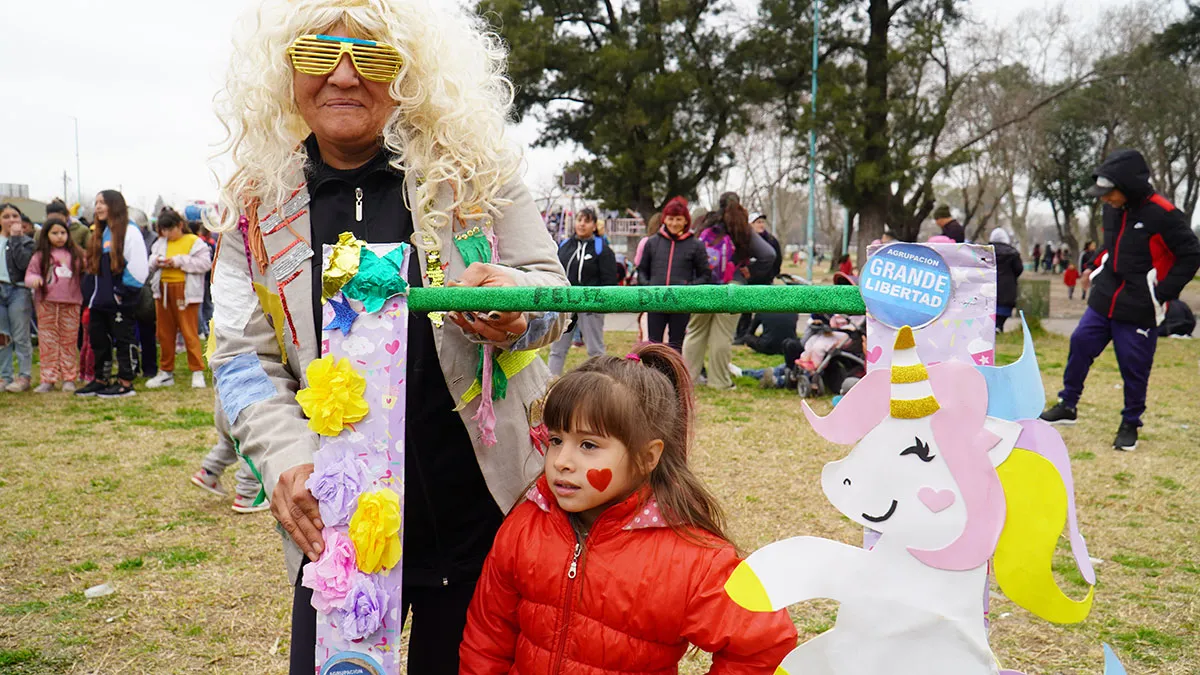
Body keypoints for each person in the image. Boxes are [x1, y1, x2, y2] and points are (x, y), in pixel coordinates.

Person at [207, 3, 570, 672]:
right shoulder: (255, 205)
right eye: (319, 53)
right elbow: (238, 356)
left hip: (481, 522)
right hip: (336, 531)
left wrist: (518, 307)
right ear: (286, 69)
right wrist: (284, 458)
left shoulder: (474, 172)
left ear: (410, 71)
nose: (344, 76)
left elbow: (554, 296)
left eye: (371, 56)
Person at [459, 344, 797, 672]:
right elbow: (487, 636)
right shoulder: (526, 524)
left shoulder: (691, 558)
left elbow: (764, 644)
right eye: (556, 440)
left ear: (648, 457)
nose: (561, 461)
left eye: (588, 445)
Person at [1041, 149, 1200, 451]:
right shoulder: (1112, 209)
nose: (1104, 199)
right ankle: (1068, 405)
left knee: (1134, 367)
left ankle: (1130, 424)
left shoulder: (1164, 214)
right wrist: (1092, 267)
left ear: (1128, 186)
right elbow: (1111, 245)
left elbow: (1191, 255)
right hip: (1104, 298)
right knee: (1080, 343)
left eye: (1109, 192)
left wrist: (1162, 293)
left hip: (1140, 306)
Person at [683, 192, 776, 390]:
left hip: (704, 285)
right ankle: (719, 382)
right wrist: (749, 271)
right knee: (722, 336)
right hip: (733, 286)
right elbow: (769, 254)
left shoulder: (706, 224)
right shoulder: (742, 228)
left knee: (695, 332)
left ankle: (688, 379)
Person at [74, 190, 149, 399]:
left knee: (123, 339)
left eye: (103, 202)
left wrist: (121, 292)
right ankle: (101, 379)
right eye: (96, 202)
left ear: (115, 205)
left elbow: (139, 268)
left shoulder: (129, 231)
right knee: (99, 339)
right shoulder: (101, 232)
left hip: (120, 298)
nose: (98, 207)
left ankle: (125, 382)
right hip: (99, 300)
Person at [145, 208, 212, 389]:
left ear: (180, 225)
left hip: (185, 291)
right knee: (164, 333)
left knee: (189, 331)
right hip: (162, 290)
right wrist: (157, 261)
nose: (167, 233)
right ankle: (166, 371)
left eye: (170, 229)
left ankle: (197, 370)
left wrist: (179, 261)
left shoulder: (194, 242)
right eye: (164, 230)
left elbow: (205, 264)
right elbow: (150, 261)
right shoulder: (160, 242)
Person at [548, 208, 617, 375]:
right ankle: (549, 382)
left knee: (595, 350)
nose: (582, 224)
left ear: (594, 225)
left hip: (590, 306)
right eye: (579, 220)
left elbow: (609, 279)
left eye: (587, 221)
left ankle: (601, 381)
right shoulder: (564, 246)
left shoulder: (602, 249)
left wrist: (602, 303)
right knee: (557, 349)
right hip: (566, 304)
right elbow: (556, 271)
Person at [636, 196, 710, 351]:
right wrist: (649, 286)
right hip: (656, 301)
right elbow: (642, 270)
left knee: (676, 346)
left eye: (678, 219)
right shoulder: (652, 243)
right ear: (664, 219)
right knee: (653, 345)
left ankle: (675, 367)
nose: (674, 223)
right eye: (670, 219)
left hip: (681, 303)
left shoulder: (696, 245)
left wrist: (688, 288)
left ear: (685, 221)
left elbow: (705, 275)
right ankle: (653, 368)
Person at [24, 216, 85, 392]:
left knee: (69, 340)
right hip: (46, 302)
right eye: (55, 233)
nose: (59, 236)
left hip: (71, 302)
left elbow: (88, 269)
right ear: (46, 235)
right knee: (47, 340)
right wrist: (35, 280)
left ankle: (69, 378)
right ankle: (48, 378)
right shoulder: (40, 256)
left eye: (63, 232)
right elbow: (29, 275)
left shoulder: (77, 255)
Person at [191, 392, 270, 514]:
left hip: (223, 405)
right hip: (243, 408)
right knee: (252, 450)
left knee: (229, 443)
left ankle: (209, 472)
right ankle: (249, 495)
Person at [0, 203, 36, 392]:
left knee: (21, 335)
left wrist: (15, 239)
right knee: (2, 335)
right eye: (6, 216)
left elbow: (23, 264)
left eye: (15, 216)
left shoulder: (27, 242)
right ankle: (4, 376)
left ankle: (24, 375)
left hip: (18, 290)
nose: (11, 220)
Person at [734, 212, 783, 343]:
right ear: (750, 225)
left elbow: (777, 261)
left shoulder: (771, 241)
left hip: (765, 281)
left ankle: (768, 335)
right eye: (757, 222)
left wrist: (771, 275)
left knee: (765, 311)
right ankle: (741, 335)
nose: (761, 225)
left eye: (762, 222)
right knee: (745, 310)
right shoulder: (744, 241)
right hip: (748, 282)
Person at [989, 228, 1023, 333]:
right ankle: (999, 327)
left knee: (989, 310)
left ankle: (993, 329)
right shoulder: (1013, 253)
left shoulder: (985, 251)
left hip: (989, 285)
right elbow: (1018, 269)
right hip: (1007, 287)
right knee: (1002, 311)